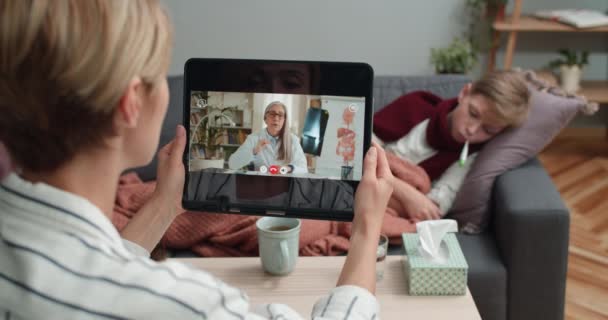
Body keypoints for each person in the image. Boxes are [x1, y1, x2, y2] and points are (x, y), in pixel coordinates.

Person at [0, 1, 394, 319]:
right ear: (131, 104)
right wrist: (365, 229)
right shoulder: (188, 305)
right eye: (159, 76)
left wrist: (163, 206)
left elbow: (90, 275)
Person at [373, 70, 530, 222]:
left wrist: (413, 198)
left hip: (386, 202)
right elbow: (357, 149)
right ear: (464, 93)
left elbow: (432, 207)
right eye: (473, 114)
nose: (472, 130)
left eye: (488, 130)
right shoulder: (416, 105)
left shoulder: (473, 155)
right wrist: (407, 193)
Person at [229, 101, 308, 174]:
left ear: (284, 120)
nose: (276, 118)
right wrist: (254, 151)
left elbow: (304, 169)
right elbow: (232, 164)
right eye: (272, 114)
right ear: (265, 118)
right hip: (260, 183)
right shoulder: (253, 138)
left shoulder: (293, 140)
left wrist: (288, 168)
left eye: (280, 115)